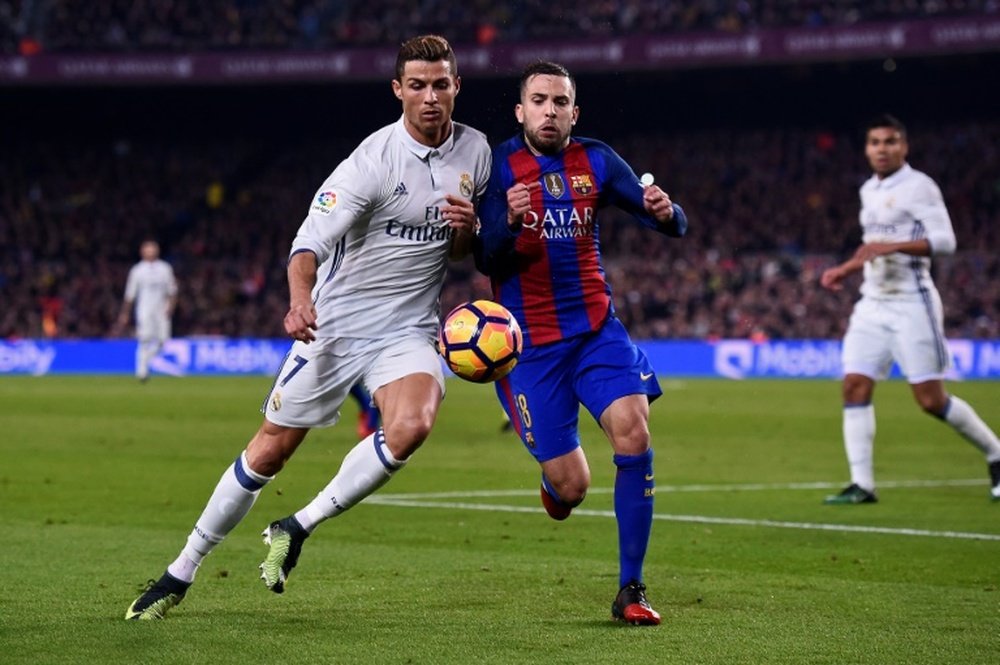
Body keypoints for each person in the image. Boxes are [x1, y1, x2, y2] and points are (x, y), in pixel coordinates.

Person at [126, 34, 490, 620]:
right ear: (398, 90)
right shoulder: (370, 163)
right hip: (336, 328)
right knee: (269, 452)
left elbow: (456, 255)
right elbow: (306, 245)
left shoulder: (476, 151)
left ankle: (296, 526)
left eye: (440, 85)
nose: (429, 97)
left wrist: (468, 230)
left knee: (412, 426)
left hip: (409, 331)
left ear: (456, 87)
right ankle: (180, 570)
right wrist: (299, 303)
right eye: (417, 86)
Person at [475, 61, 688, 625]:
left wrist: (667, 214)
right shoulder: (496, 165)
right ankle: (554, 484)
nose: (550, 110)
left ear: (575, 110)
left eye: (560, 101)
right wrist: (509, 224)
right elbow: (485, 256)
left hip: (596, 330)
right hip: (529, 348)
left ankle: (631, 589)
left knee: (633, 431)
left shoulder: (595, 158)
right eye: (539, 100)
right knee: (572, 489)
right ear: (521, 110)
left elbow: (670, 222)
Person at [820, 113, 1000, 505]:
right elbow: (874, 243)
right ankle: (862, 484)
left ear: (904, 146)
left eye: (890, 142)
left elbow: (946, 242)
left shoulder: (920, 187)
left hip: (911, 301)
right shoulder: (868, 189)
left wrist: (894, 246)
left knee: (931, 400)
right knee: (854, 384)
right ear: (866, 149)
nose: (882, 149)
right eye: (875, 143)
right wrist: (846, 269)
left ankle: (996, 454)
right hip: (873, 302)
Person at [115, 240, 178, 382]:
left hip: (162, 310)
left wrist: (171, 307)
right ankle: (141, 372)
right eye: (147, 249)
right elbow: (130, 294)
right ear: (142, 252)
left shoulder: (165, 268)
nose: (150, 252)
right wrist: (125, 313)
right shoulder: (137, 270)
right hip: (144, 309)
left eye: (152, 249)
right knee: (144, 339)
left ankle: (145, 361)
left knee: (163, 341)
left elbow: (173, 291)